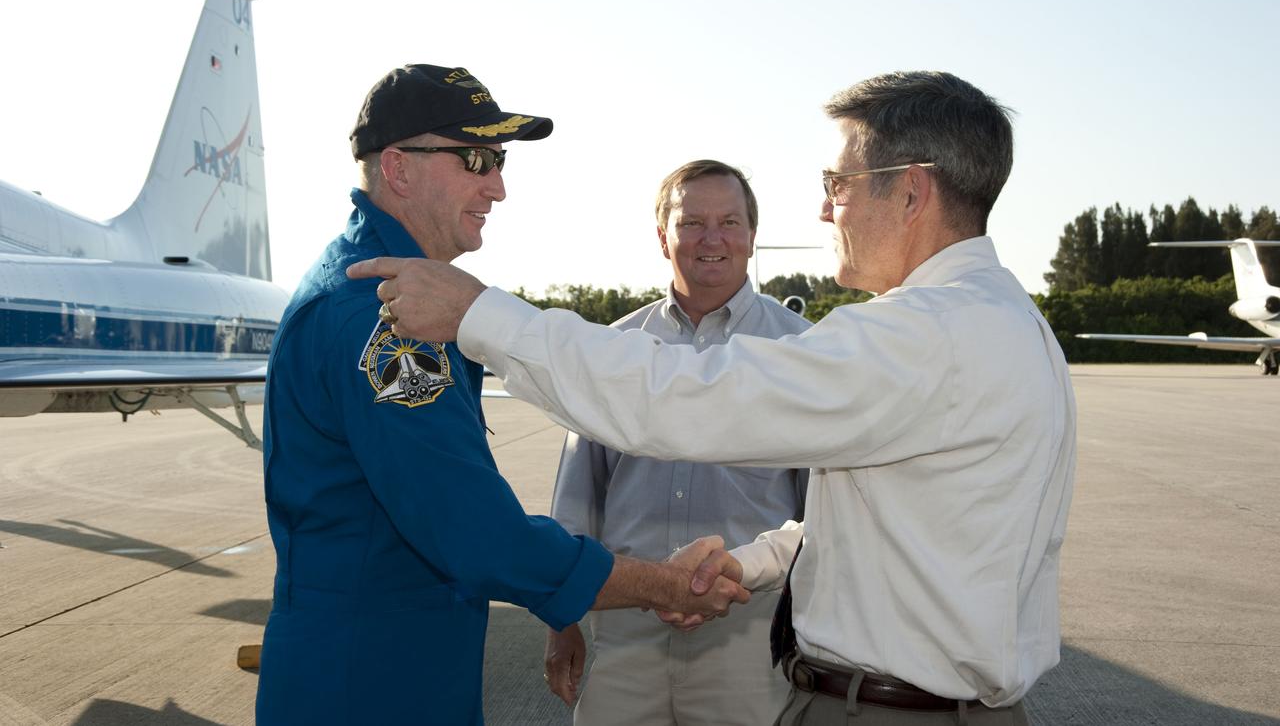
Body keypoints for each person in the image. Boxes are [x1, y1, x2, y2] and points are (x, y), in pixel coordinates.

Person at [349, 70, 1077, 725]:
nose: (827, 211)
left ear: (912, 190)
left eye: (838, 182)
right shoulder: (1000, 320)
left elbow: (693, 398)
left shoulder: (928, 334)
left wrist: (481, 314)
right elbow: (892, 526)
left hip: (893, 711)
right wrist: (754, 561)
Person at [255, 64, 750, 726]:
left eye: (500, 160)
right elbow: (478, 534)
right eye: (477, 159)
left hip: (398, 672)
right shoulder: (378, 312)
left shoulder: (405, 294)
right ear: (400, 168)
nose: (499, 186)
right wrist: (660, 581)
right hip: (367, 685)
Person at [545, 160, 810, 723]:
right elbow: (577, 500)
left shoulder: (805, 353)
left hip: (748, 631)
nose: (711, 239)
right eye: (692, 223)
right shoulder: (614, 350)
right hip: (628, 627)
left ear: (751, 236)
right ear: (663, 236)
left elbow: (825, 515)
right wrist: (560, 620)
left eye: (729, 222)